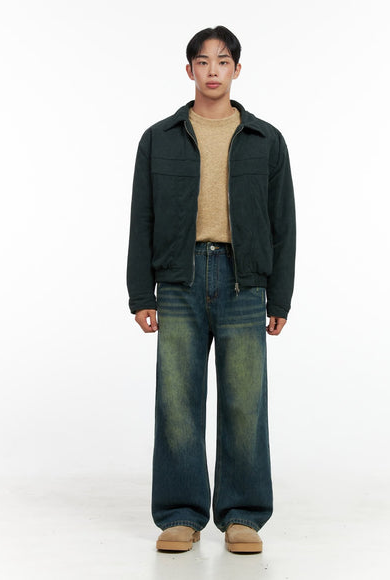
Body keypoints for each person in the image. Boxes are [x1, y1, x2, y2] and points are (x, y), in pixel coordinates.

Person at [127, 25, 296, 554]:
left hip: (244, 282)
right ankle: (180, 514)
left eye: (223, 61)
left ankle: (243, 515)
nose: (213, 70)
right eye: (203, 62)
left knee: (245, 401)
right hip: (178, 279)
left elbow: (283, 222)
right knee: (177, 401)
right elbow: (142, 217)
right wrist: (141, 293)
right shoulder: (159, 138)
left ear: (237, 70)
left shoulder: (265, 140)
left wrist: (280, 296)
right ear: (190, 70)